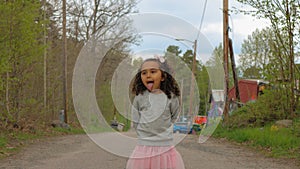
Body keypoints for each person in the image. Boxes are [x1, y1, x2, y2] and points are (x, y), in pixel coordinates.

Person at [126, 56, 185, 169]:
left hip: (165, 147)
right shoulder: (140, 98)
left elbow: (174, 116)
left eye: (153, 72)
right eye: (144, 73)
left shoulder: (171, 98)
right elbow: (136, 119)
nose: (148, 75)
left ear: (163, 76)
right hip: (144, 146)